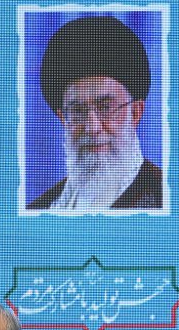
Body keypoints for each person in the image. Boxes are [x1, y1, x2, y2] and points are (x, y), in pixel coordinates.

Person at [28, 15, 163, 211]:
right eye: (77, 111)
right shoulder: (41, 209)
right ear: (63, 119)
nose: (92, 128)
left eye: (105, 108)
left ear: (135, 113)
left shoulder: (168, 198)